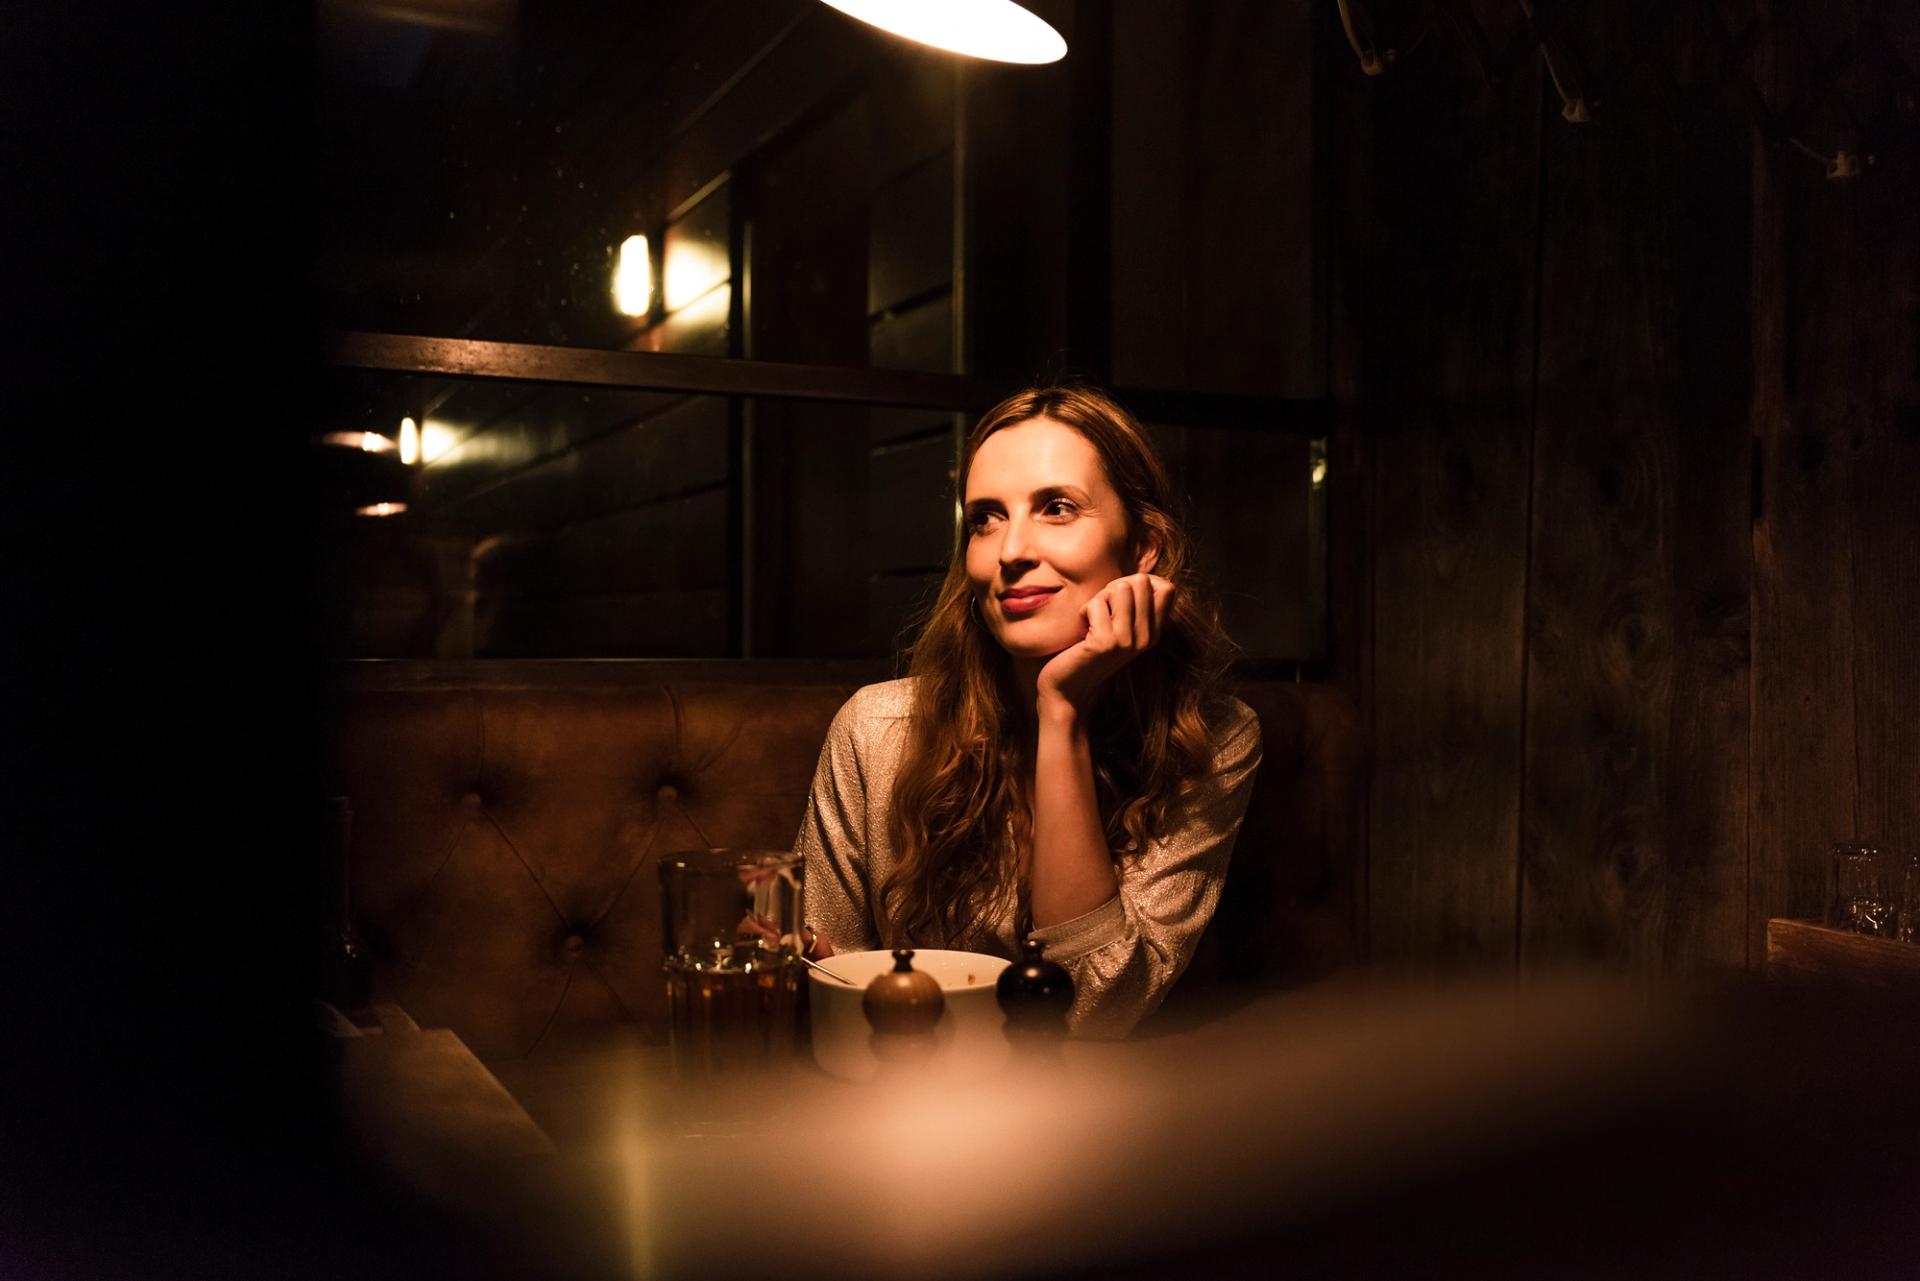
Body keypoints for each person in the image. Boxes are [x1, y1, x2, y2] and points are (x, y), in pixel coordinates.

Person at [794, 386, 1263, 1038]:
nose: (1010, 550)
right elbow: (827, 979)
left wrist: (1060, 708)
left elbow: (1095, 1012)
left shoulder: (1215, 737)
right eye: (985, 518)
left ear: (1144, 546)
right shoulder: (877, 732)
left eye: (1057, 508)